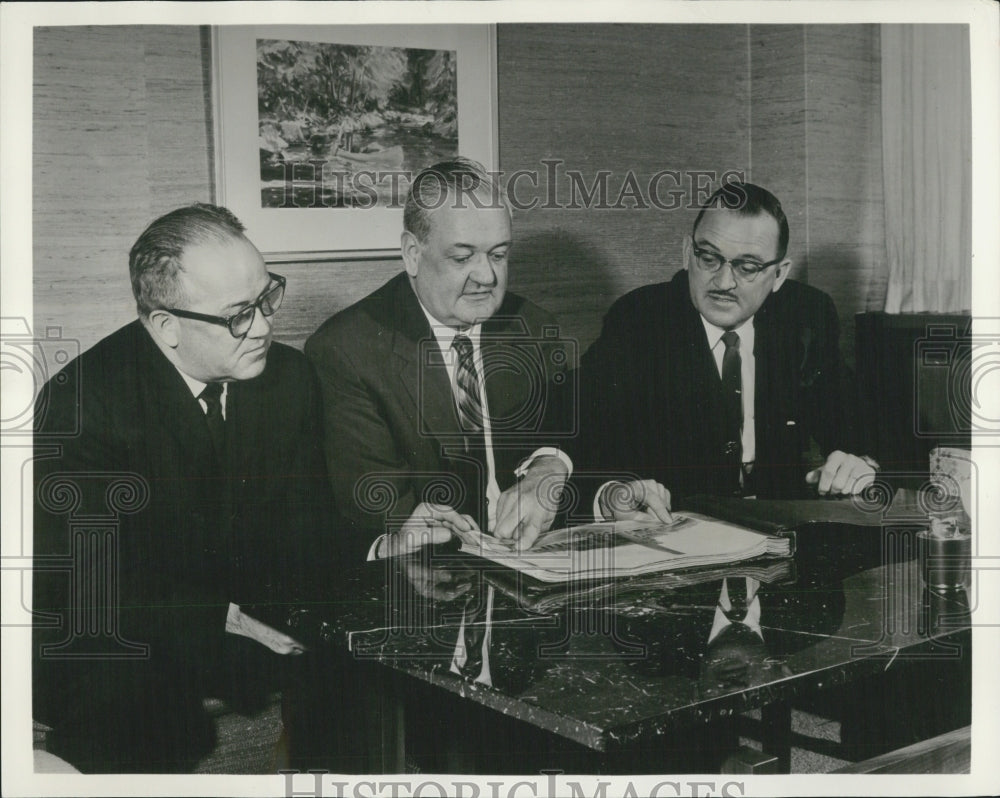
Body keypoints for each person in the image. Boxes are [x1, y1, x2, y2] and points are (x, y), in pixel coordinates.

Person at [31, 203, 343, 773]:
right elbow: (89, 593)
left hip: (247, 615)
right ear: (166, 327)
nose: (267, 326)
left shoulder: (290, 379)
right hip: (124, 640)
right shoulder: (82, 406)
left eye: (266, 297)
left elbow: (308, 525)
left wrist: (379, 541)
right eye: (239, 314)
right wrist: (226, 616)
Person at [305, 157, 575, 555]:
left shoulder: (534, 327)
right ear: (412, 253)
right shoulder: (348, 351)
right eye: (463, 258)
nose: (487, 277)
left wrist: (549, 466)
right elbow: (377, 516)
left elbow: (566, 435)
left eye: (499, 254)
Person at [576, 181, 878, 514]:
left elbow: (861, 428)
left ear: (779, 274)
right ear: (687, 254)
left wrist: (859, 463)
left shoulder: (804, 318)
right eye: (709, 258)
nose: (723, 283)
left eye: (747, 267)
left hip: (779, 528)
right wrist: (613, 493)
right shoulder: (639, 321)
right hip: (676, 531)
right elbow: (581, 442)